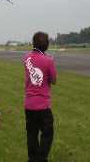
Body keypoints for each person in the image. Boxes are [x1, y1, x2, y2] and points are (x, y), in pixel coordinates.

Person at [23, 32, 57, 162]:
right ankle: (41, 158)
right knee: (47, 134)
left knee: (31, 134)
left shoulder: (27, 58)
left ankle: (32, 159)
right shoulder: (48, 60)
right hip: (43, 106)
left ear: (33, 43)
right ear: (46, 45)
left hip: (29, 104)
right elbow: (53, 80)